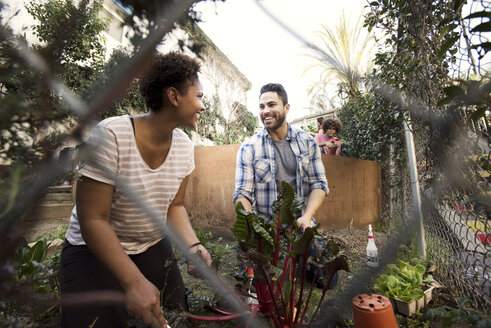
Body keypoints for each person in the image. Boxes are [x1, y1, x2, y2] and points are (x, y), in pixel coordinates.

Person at [60, 52, 212, 328]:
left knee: (177, 317)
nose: (202, 106)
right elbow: (92, 220)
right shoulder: (111, 136)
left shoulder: (184, 146)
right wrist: (134, 281)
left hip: (150, 245)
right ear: (174, 97)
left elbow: (174, 206)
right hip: (92, 248)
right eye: (199, 96)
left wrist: (193, 245)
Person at [233, 83, 328, 231]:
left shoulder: (308, 142)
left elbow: (319, 184)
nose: (266, 111)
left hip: (301, 223)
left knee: (317, 250)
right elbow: (242, 193)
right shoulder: (248, 148)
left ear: (286, 107)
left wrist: (307, 216)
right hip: (264, 227)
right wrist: (254, 228)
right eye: (262, 107)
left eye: (271, 105)